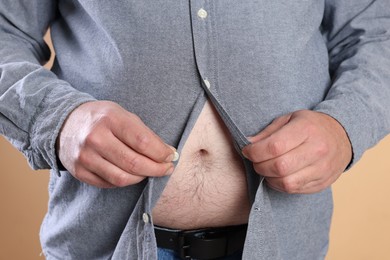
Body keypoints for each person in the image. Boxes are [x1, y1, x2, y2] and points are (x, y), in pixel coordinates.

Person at [1, 1, 389, 259]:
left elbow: (377, 34)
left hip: (284, 245)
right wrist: (59, 120)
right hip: (105, 246)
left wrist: (344, 126)